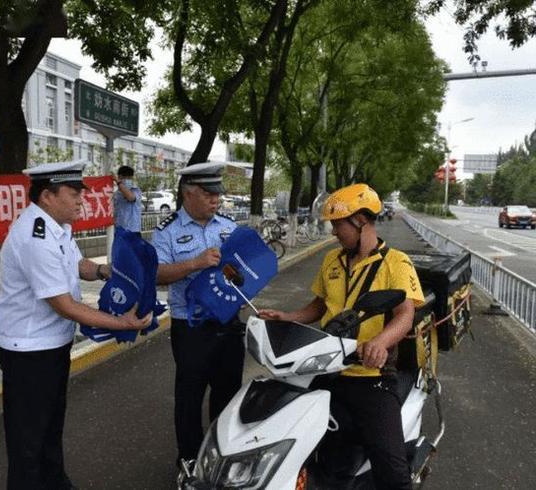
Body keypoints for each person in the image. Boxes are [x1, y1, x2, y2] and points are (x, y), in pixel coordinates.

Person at [0, 161, 151, 490]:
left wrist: (103, 272)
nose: (81, 198)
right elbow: (66, 306)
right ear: (47, 195)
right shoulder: (35, 236)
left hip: (51, 346)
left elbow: (76, 263)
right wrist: (121, 322)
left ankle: (55, 483)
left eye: (82, 192)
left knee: (50, 428)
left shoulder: (58, 226)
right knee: (29, 440)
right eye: (73, 192)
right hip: (29, 353)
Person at [258, 183, 424, 490]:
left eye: (338, 224)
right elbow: (319, 306)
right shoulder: (331, 260)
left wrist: (380, 343)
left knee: (393, 471)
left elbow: (405, 314)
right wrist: (287, 317)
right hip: (326, 368)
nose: (334, 232)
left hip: (370, 375)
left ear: (361, 220)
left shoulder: (396, 263)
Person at [151, 162, 243, 466]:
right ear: (188, 194)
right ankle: (189, 460)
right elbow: (158, 275)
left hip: (228, 321)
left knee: (227, 392)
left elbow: (244, 267)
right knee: (190, 397)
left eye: (218, 193)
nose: (216, 200)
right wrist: (195, 263)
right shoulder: (167, 231)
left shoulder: (228, 226)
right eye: (208, 194)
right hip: (191, 326)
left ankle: (221, 456)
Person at [113, 165, 142, 233]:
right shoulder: (117, 194)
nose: (129, 180)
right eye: (127, 177)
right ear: (120, 177)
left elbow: (130, 197)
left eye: (130, 178)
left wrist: (118, 182)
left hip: (133, 231)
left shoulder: (135, 190)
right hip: (119, 231)